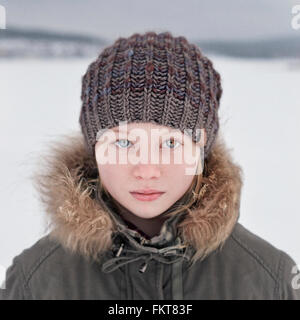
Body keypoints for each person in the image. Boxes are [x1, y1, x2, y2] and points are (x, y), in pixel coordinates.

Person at [1, 31, 299, 300]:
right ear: (94, 149)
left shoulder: (271, 280)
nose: (146, 170)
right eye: (123, 144)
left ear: (201, 151)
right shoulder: (34, 281)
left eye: (171, 144)